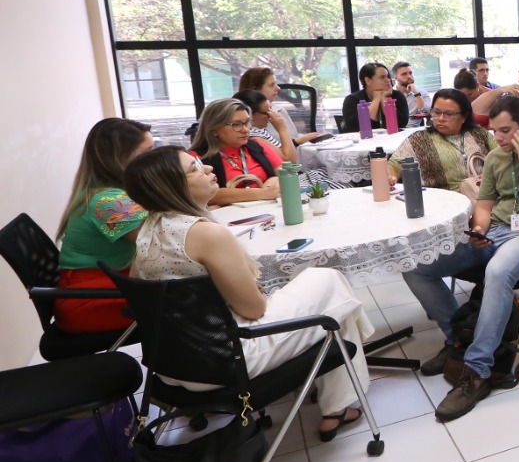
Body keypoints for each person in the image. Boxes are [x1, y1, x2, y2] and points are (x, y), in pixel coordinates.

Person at [124, 147, 373, 442]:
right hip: (230, 360)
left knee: (323, 296)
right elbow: (254, 309)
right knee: (328, 280)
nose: (208, 170)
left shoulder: (146, 233)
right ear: (169, 185)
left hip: (175, 364)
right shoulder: (205, 234)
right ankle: (340, 402)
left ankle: (338, 406)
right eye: (194, 169)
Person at [402, 94, 519, 419]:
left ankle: (477, 370)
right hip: (495, 234)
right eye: (495, 131)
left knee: (498, 272)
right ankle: (457, 340)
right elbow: (484, 206)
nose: (499, 138)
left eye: (507, 131)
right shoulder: (495, 157)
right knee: (416, 265)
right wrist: (479, 230)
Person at [53, 118, 153, 333]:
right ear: (120, 158)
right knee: (195, 299)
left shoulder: (110, 190)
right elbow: (157, 242)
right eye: (146, 153)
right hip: (89, 300)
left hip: (110, 284)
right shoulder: (107, 201)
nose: (154, 159)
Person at [386, 88, 490, 195]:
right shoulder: (419, 140)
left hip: (483, 197)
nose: (441, 118)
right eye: (436, 112)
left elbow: (503, 157)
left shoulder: (480, 134)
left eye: (449, 114)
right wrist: (389, 176)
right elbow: (393, 165)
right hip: (440, 201)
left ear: (464, 116)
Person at [189, 98, 283, 207]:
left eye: (247, 122)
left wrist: (272, 182)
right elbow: (207, 195)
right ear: (214, 129)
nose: (246, 130)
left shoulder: (258, 145)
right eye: (236, 125)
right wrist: (262, 193)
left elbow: (286, 176)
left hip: (267, 208)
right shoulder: (196, 158)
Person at [238, 67, 324, 146]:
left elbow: (288, 143)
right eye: (271, 85)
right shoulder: (244, 120)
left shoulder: (279, 110)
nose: (278, 88)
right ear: (255, 90)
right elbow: (281, 155)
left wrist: (300, 140)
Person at [341, 61, 408, 133]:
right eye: (382, 77)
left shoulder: (397, 95)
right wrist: (376, 99)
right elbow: (355, 128)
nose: (388, 80)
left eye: (388, 76)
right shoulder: (352, 100)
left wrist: (384, 99)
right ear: (368, 80)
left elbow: (402, 124)